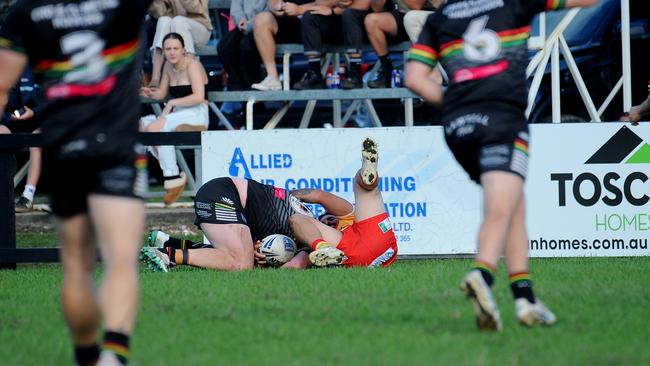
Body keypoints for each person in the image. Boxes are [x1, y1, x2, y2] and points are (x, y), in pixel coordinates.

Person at [405, 0, 597, 331]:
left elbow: (414, 78)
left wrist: (456, 102)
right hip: (501, 119)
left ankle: (525, 300)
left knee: (513, 206)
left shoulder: (442, 16)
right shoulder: (511, 3)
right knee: (500, 205)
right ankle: (482, 273)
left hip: (457, 125)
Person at [0, 1, 151, 365]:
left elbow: (2, 85)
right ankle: (113, 355)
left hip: (61, 147)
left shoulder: (26, 11)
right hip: (116, 143)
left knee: (76, 266)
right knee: (120, 260)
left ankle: (86, 357)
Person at [289, 137, 398, 268]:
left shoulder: (347, 216)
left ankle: (368, 177)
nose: (328, 222)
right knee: (298, 220)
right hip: (377, 247)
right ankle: (324, 248)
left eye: (329, 218)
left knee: (363, 185)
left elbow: (319, 195)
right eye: (324, 223)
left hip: (367, 243)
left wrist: (286, 195)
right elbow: (296, 264)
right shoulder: (315, 242)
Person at [140, 32, 209, 206]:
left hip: (196, 112)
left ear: (184, 50)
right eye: (168, 49)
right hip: (177, 113)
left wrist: (172, 103)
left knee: (156, 127)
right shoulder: (168, 67)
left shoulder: (192, 65)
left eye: (176, 48)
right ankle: (174, 176)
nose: (172, 52)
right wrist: (149, 92)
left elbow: (199, 96)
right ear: (163, 52)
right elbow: (161, 93)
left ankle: (172, 176)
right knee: (144, 125)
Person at [250, 0, 328, 91]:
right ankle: (272, 77)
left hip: (317, 21)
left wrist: (300, 9)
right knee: (261, 19)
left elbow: (329, 3)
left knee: (310, 18)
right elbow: (271, 2)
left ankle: (315, 74)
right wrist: (276, 6)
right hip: (291, 21)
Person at [292, 0, 371, 90]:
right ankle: (314, 75)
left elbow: (363, 5)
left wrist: (334, 10)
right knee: (309, 16)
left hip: (362, 26)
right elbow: (319, 3)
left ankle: (355, 74)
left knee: (349, 14)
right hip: (336, 24)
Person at [0, 71, 42, 213]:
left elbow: (57, 102)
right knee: (1, 131)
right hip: (21, 119)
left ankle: (27, 197)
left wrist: (35, 113)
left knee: (37, 136)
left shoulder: (53, 65)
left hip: (47, 120)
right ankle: (4, 192)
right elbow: (13, 99)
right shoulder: (21, 66)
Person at [148, 0, 213, 86]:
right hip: (173, 27)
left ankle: (188, 74)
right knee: (163, 20)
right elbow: (160, 13)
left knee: (178, 21)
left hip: (200, 27)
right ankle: (155, 78)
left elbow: (198, 9)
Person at [364, 0, 427, 88]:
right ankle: (386, 71)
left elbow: (416, 6)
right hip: (401, 16)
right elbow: (376, 8)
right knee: (371, 20)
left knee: (411, 17)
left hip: (424, 16)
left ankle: (431, 76)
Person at [217, 0, 267, 91]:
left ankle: (251, 91)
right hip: (242, 26)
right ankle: (237, 84)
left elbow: (270, 11)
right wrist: (240, 20)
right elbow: (236, 8)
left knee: (246, 47)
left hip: (263, 27)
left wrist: (247, 25)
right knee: (223, 47)